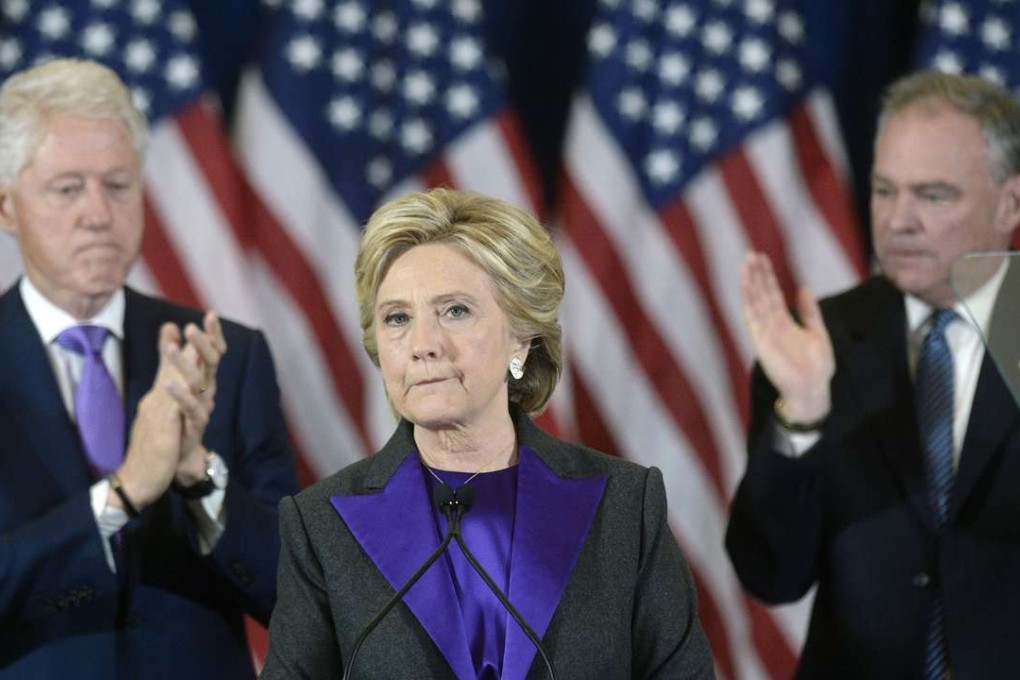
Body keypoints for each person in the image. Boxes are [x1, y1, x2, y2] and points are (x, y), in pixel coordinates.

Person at [261, 188, 715, 679]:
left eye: (455, 311)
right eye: (397, 318)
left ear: (521, 337)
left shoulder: (624, 506)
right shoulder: (321, 525)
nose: (422, 344)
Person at [0, 59, 298, 677]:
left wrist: (200, 477)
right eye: (67, 189)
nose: (98, 213)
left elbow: (295, 593)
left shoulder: (224, 356)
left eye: (118, 185)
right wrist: (123, 492)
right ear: (6, 207)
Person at [725, 70, 1020, 678]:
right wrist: (800, 419)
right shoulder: (816, 343)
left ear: (1009, 204)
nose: (898, 220)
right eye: (885, 191)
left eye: (933, 196)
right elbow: (770, 575)